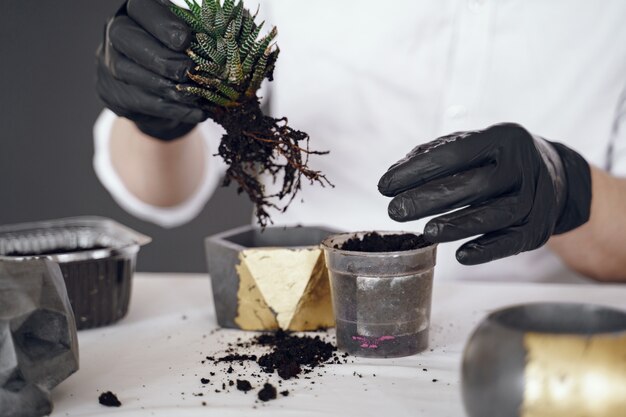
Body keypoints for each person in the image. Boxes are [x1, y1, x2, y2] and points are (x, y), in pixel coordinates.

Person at [95, 0, 626, 283]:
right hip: (299, 308)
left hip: (531, 340)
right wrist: (155, 118)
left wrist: (567, 190)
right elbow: (157, 190)